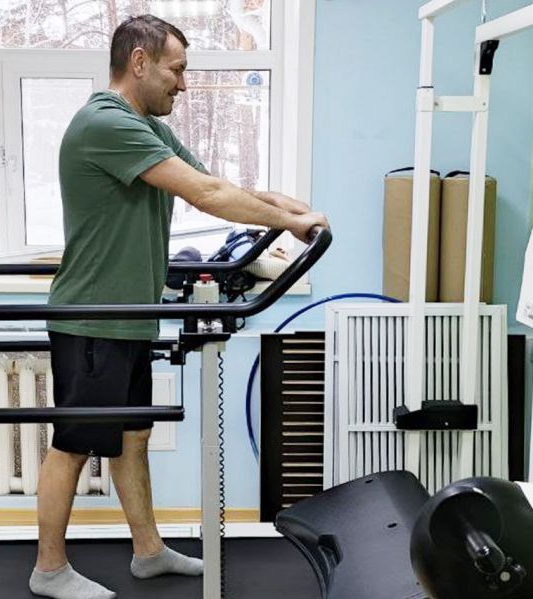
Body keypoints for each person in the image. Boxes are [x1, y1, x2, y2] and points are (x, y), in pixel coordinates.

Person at [30, 14, 329, 599]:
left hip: (128, 318)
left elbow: (214, 181)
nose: (183, 84)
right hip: (93, 318)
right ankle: (48, 569)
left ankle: (148, 553)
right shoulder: (105, 123)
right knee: (73, 444)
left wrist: (293, 210)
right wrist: (291, 223)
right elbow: (207, 195)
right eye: (177, 69)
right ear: (139, 62)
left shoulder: (145, 127)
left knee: (133, 437)